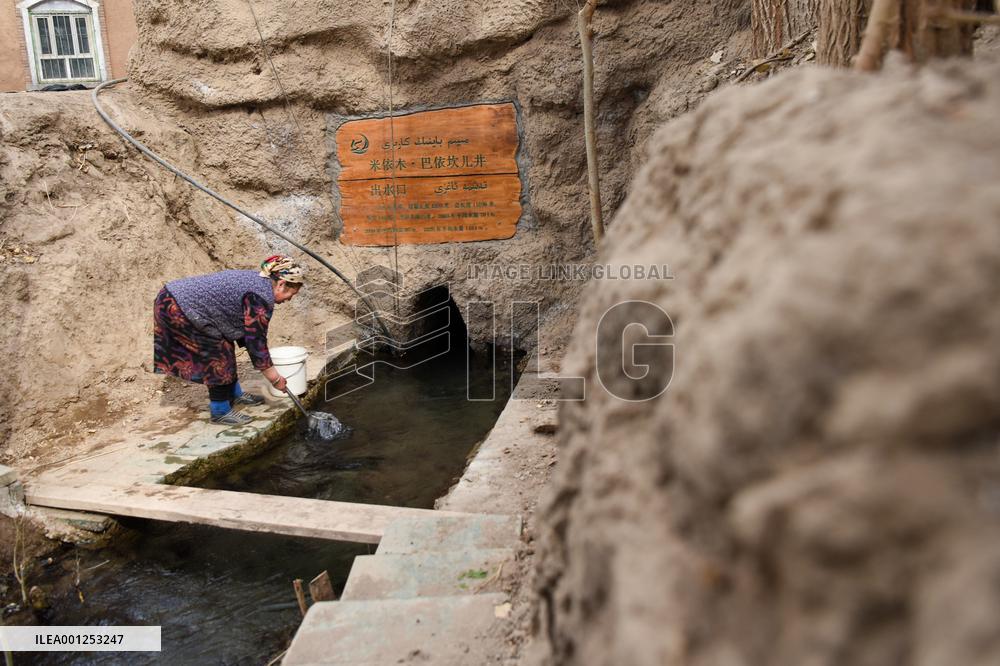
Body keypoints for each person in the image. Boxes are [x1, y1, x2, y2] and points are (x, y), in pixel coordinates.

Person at [152, 255, 304, 425]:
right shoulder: (261, 297)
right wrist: (275, 379)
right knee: (218, 356)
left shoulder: (260, 285)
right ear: (282, 284)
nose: (289, 299)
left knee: (224, 346)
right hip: (177, 307)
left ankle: (234, 394)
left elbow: (249, 335)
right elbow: (256, 343)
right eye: (291, 294)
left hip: (176, 299)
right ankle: (220, 410)